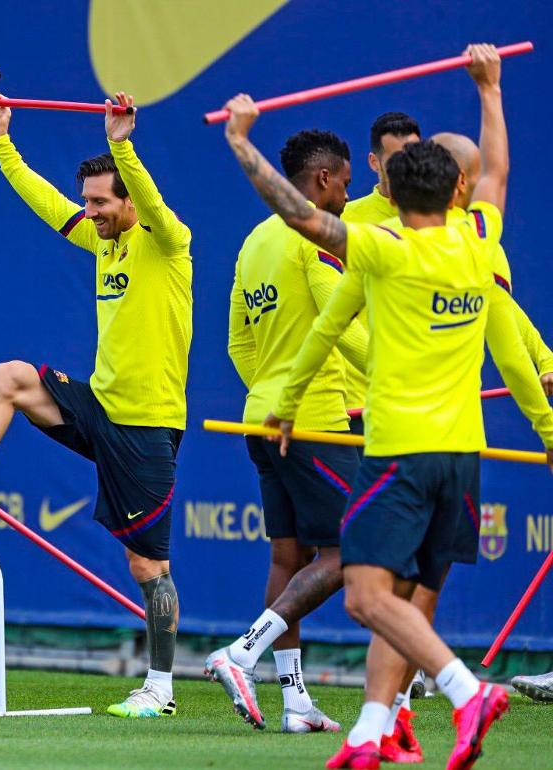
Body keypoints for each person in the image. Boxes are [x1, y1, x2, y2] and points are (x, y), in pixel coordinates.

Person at [223, 44, 552, 770]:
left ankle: (467, 691)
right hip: (462, 460)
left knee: (367, 598)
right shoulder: (479, 241)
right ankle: (375, 731)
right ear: (459, 193)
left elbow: (302, 215)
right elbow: (498, 170)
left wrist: (244, 143)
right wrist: (489, 89)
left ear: (391, 196)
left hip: (398, 454)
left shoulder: (381, 251)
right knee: (408, 602)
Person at [0, 88, 192, 719]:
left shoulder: (168, 243)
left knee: (147, 565)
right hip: (101, 407)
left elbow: (154, 204)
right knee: (8, 376)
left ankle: (160, 688)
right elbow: (47, 205)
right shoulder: (104, 243)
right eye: (88, 202)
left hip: (148, 427)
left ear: (131, 200)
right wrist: (1, 143)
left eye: (102, 202)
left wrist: (122, 145)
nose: (91, 213)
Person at [361, 130, 553, 764]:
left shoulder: (473, 242)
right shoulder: (438, 236)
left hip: (429, 446)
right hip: (418, 439)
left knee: (400, 595)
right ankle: (385, 718)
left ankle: (399, 712)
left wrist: (549, 413)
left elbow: (509, 334)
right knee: (399, 595)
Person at [207, 129, 365, 733]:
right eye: (347, 184)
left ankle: (295, 701)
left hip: (261, 418)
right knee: (350, 552)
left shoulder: (252, 243)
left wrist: (271, 390)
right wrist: (393, 369)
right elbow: (339, 321)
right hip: (314, 419)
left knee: (289, 555)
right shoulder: (310, 230)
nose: (348, 196)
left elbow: (237, 342)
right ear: (322, 181)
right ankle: (243, 652)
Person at [340, 113, 421, 431]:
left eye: (413, 156)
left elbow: (494, 300)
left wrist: (545, 360)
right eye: (396, 159)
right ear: (374, 162)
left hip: (428, 400)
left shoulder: (444, 219)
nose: (407, 167)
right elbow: (331, 318)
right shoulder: (342, 220)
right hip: (364, 403)